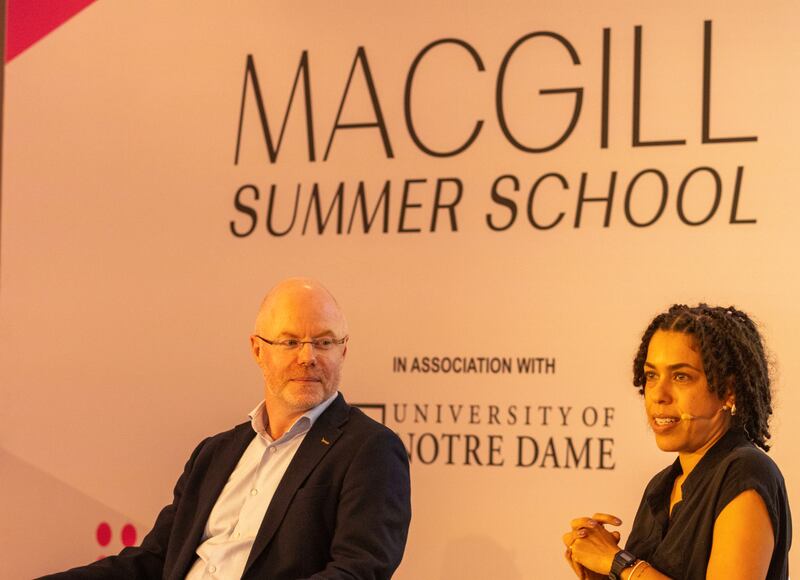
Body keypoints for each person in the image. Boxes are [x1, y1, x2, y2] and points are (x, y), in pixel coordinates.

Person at [42, 277, 412, 579]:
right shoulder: (215, 453)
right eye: (289, 342)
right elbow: (155, 559)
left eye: (324, 342)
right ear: (257, 350)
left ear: (343, 351)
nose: (308, 357)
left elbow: (359, 572)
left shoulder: (370, 450)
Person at [562, 304, 791, 580]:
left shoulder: (745, 472)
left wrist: (620, 563)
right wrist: (603, 573)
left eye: (681, 377)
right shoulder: (660, 486)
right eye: (651, 375)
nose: (659, 394)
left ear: (728, 391)